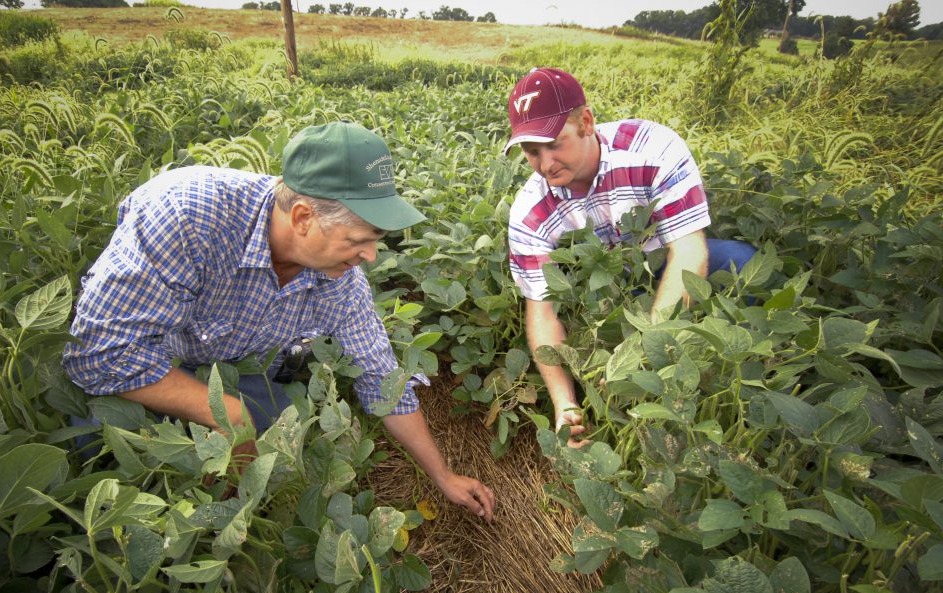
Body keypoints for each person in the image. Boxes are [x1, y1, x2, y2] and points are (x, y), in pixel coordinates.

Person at [63, 122, 495, 521]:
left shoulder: (341, 281)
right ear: (304, 217)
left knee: (278, 448)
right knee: (101, 450)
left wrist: (444, 476)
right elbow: (99, 355)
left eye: (375, 242)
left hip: (237, 366)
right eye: (359, 241)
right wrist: (227, 414)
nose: (369, 257)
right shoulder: (186, 215)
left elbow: (383, 384)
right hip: (155, 359)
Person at [504, 68, 756, 445]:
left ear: (586, 122)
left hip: (665, 263)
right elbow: (542, 312)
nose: (545, 164)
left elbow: (688, 249)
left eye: (555, 143)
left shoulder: (654, 149)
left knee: (742, 262)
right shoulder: (530, 212)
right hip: (606, 294)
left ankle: (742, 363)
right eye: (531, 151)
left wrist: (647, 348)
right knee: (604, 332)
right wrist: (564, 404)